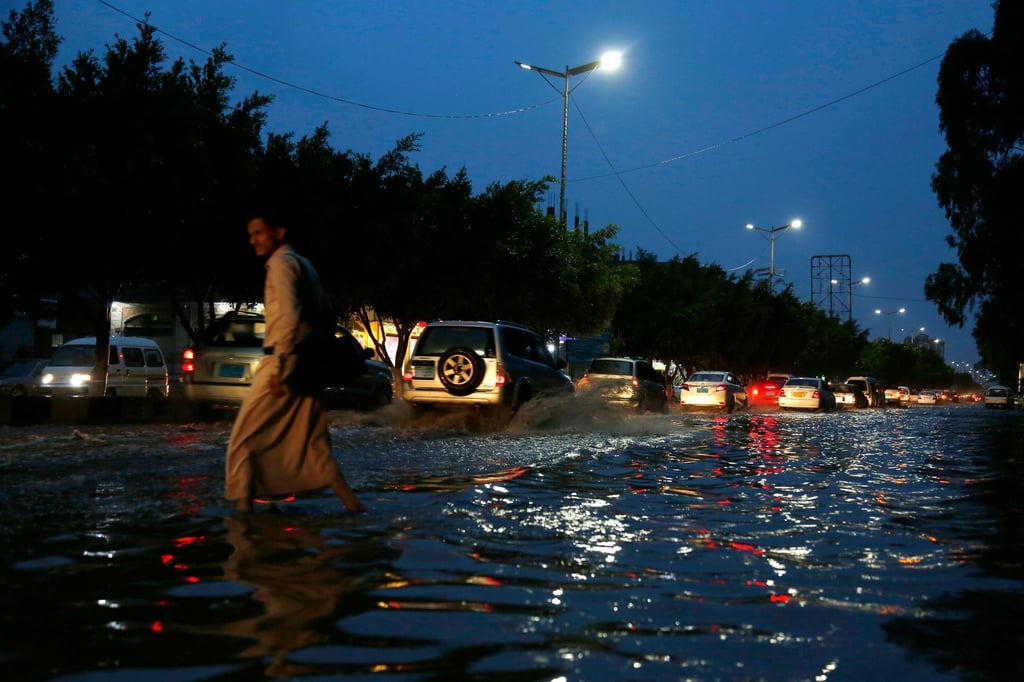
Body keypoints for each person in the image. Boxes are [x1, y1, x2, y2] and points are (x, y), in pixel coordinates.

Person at [225, 212, 365, 514]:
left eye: (259, 233)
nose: (253, 240)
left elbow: (288, 315)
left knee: (243, 440)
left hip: (283, 364)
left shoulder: (280, 266)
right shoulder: (305, 265)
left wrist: (279, 367)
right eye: (250, 234)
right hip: (306, 366)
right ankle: (354, 509)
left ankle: (243, 522)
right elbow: (326, 316)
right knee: (313, 442)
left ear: (279, 232)